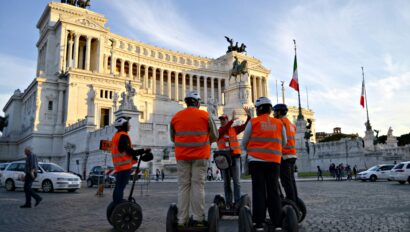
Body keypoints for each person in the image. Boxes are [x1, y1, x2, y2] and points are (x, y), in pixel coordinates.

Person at [170, 91, 218, 227]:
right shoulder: (205, 115)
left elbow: (172, 138)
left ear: (186, 103)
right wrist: (206, 141)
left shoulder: (176, 117)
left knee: (183, 187)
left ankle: (181, 220)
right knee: (198, 186)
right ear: (197, 103)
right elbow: (215, 135)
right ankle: (198, 219)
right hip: (200, 156)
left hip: (182, 156)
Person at [242, 97, 287, 230]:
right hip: (274, 161)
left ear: (259, 109)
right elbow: (284, 142)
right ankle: (277, 222)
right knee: (273, 191)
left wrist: (251, 149)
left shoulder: (254, 122)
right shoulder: (279, 123)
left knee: (259, 191)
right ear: (269, 108)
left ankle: (259, 223)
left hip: (256, 161)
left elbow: (244, 142)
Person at [111, 116, 151, 206]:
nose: (129, 126)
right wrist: (143, 150)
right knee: (120, 187)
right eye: (128, 124)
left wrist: (135, 157)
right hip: (124, 166)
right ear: (123, 125)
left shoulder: (116, 136)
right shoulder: (123, 136)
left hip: (119, 166)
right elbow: (129, 151)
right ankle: (118, 204)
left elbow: (123, 150)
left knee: (118, 187)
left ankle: (116, 203)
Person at [217, 106, 252, 209]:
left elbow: (245, 126)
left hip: (235, 157)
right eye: (221, 120)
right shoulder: (219, 131)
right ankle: (228, 203)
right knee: (226, 182)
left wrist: (249, 117)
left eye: (224, 119)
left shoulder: (233, 129)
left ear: (226, 120)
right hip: (224, 159)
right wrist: (231, 121)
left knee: (237, 182)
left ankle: (237, 202)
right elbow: (225, 129)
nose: (222, 121)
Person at [273, 103, 299, 204]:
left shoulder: (280, 122)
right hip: (292, 155)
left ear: (279, 112)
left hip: (284, 155)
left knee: (286, 182)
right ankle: (294, 201)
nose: (274, 113)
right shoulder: (291, 124)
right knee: (291, 181)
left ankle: (290, 202)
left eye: (275, 111)